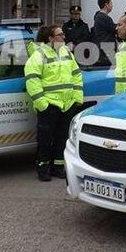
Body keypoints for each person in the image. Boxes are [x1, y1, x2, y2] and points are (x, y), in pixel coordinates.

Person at [24, 25, 83, 181]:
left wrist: (77, 97)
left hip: (67, 104)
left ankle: (58, 167)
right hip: (50, 104)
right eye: (60, 34)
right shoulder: (38, 55)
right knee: (45, 139)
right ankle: (43, 168)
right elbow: (32, 80)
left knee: (62, 138)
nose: (64, 37)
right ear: (50, 38)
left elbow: (76, 74)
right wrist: (42, 103)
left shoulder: (66, 52)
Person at [92, 0, 116, 66]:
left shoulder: (98, 16)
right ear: (106, 5)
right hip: (105, 50)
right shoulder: (104, 17)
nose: (112, 6)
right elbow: (115, 29)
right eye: (111, 3)